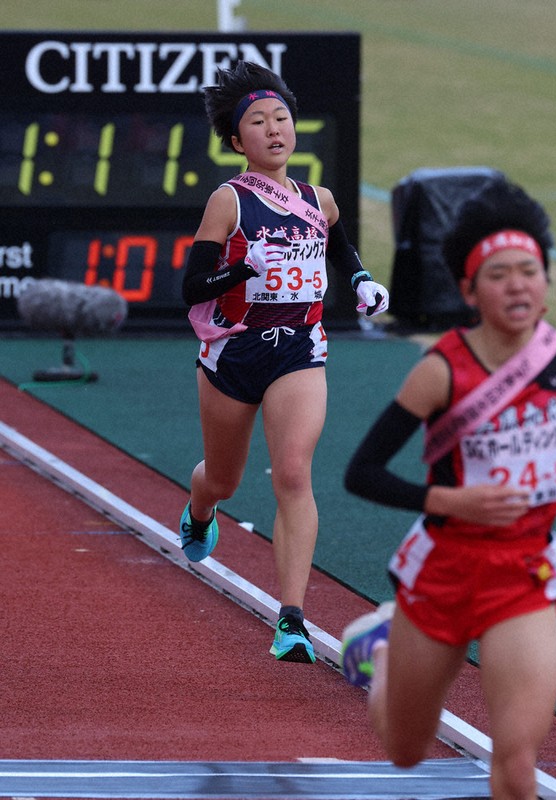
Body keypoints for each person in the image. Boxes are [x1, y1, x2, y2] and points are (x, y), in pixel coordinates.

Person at [341, 176, 556, 799]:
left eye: (528, 271)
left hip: (523, 574)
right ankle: (380, 649)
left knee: (517, 764)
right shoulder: (440, 371)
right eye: (499, 274)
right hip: (443, 569)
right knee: (405, 749)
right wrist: (452, 501)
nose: (517, 285)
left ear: (546, 280)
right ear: (469, 290)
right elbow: (361, 472)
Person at [179, 60, 388, 663]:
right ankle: (200, 508)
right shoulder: (228, 201)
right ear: (236, 140)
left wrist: (362, 281)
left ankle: (291, 618)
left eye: (281, 118)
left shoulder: (318, 199)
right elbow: (192, 288)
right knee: (224, 478)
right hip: (233, 352)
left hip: (299, 347)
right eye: (258, 122)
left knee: (293, 473)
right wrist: (242, 270)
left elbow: (339, 247)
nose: (274, 129)